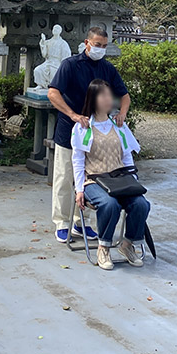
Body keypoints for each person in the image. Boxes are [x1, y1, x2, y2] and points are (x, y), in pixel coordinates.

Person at [47, 26, 130, 244]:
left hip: (97, 134)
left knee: (92, 179)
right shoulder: (70, 65)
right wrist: (72, 114)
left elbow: (124, 95)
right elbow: (53, 92)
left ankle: (80, 222)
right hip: (71, 129)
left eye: (104, 46)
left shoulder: (107, 68)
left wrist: (121, 113)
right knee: (65, 176)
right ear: (87, 43)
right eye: (97, 45)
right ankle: (62, 223)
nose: (100, 49)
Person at [71, 79, 148, 270]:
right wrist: (79, 190)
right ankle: (103, 247)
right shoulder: (83, 127)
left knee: (141, 204)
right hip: (94, 180)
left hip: (120, 179)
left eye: (110, 95)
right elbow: (78, 161)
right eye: (103, 94)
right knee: (109, 204)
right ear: (93, 98)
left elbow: (127, 157)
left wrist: (133, 181)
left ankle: (127, 244)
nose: (109, 99)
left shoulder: (119, 124)